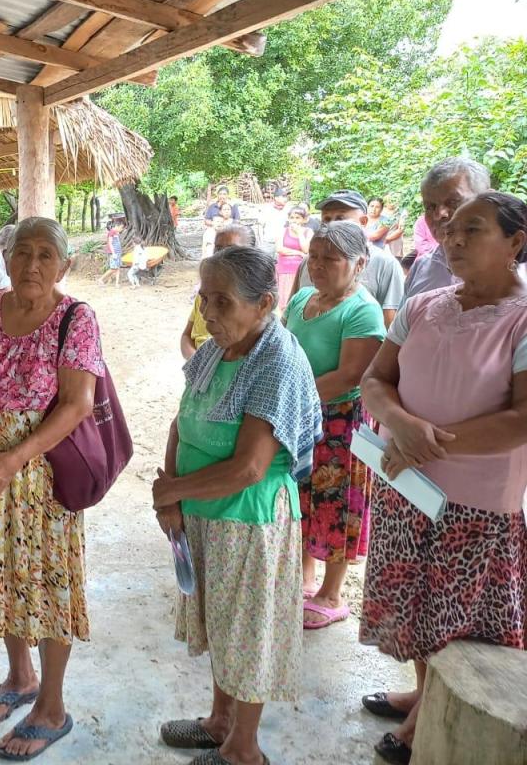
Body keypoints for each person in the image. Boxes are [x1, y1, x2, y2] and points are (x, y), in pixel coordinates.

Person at [359, 191, 527, 765]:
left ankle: (432, 716)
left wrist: (420, 443)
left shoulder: (523, 316)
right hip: (407, 485)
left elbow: (522, 419)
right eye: (451, 229)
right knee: (415, 603)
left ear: (516, 243)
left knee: (460, 615)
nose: (452, 239)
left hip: (475, 505)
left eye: (472, 230)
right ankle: (423, 693)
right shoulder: (424, 304)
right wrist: (400, 423)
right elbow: (375, 380)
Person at [153, 245, 322, 765]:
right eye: (204, 299)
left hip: (249, 520)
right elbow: (182, 422)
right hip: (205, 513)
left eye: (222, 302)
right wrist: (171, 490)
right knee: (223, 623)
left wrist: (174, 492)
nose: (208, 314)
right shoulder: (215, 349)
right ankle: (220, 721)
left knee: (249, 630)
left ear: (265, 302)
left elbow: (250, 466)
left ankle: (244, 749)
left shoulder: (278, 357)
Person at [0, 217, 106, 761]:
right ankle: (19, 677)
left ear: (64, 265)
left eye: (46, 255)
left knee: (47, 587)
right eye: (22, 252)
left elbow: (77, 404)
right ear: (6, 258)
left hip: (40, 477)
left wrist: (13, 459)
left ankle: (52, 706)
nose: (33, 264)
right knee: (3, 576)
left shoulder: (76, 319)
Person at [282, 222, 386, 629]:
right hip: (299, 414)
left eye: (331, 258)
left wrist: (295, 397)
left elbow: (350, 375)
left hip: (341, 420)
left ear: (359, 263)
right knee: (301, 490)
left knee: (338, 500)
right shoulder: (304, 299)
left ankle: (332, 592)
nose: (318, 266)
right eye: (314, 256)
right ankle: (305, 577)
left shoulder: (362, 310)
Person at [290, 190, 404, 327]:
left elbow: (391, 326)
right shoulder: (309, 262)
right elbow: (291, 310)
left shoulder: (386, 265)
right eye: (326, 219)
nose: (331, 225)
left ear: (363, 221)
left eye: (340, 219)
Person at [404, 157, 492, 301]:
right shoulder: (421, 267)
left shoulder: (514, 273)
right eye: (430, 207)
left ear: (489, 199)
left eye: (453, 202)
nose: (439, 215)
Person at [182, 223, 255, 360]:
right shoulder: (205, 293)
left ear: (251, 253)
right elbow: (187, 335)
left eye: (231, 250)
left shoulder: (254, 299)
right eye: (218, 248)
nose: (222, 256)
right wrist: (196, 362)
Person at [276, 205, 313, 304]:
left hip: (301, 269)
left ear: (304, 220)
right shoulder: (283, 231)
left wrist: (299, 233)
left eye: (297, 218)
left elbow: (306, 250)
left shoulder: (308, 232)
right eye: (292, 217)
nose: (294, 220)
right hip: (285, 269)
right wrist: (298, 253)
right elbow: (279, 249)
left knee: (300, 297)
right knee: (285, 297)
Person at [259, 187, 290, 253]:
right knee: (266, 262)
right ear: (276, 198)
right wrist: (262, 241)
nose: (286, 199)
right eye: (283, 196)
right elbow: (260, 226)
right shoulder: (267, 209)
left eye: (286, 197)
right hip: (268, 243)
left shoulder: (289, 210)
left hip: (284, 244)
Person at [98, 219, 125, 286]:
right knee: (113, 268)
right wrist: (113, 253)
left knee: (118, 268)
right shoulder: (111, 232)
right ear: (117, 226)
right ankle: (101, 279)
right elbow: (110, 243)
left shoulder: (116, 233)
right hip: (114, 253)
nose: (122, 229)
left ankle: (117, 283)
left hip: (118, 252)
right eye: (121, 227)